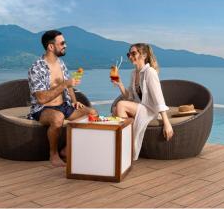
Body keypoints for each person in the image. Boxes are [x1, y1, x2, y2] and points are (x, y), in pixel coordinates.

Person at [28, 30, 98, 167]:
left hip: (64, 105)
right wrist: (65, 84)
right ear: (51, 47)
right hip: (43, 109)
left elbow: (69, 85)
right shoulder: (37, 68)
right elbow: (41, 98)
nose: (65, 45)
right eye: (62, 43)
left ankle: (67, 150)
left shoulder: (61, 64)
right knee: (58, 117)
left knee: (92, 113)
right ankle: (53, 154)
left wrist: (74, 101)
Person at [112, 43, 174, 160]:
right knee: (116, 109)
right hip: (140, 107)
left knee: (120, 105)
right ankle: (120, 146)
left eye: (133, 53)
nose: (130, 56)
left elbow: (158, 98)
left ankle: (125, 148)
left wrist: (166, 122)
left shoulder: (150, 72)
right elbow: (130, 97)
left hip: (150, 110)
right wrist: (120, 84)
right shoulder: (133, 73)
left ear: (144, 55)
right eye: (128, 54)